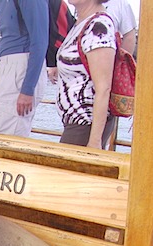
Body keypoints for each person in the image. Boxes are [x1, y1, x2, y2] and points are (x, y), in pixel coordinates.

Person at [0, 0, 48, 137]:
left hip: (21, 67)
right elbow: (5, 39)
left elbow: (40, 41)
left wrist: (27, 89)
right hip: (8, 67)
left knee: (7, 135)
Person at [55, 0, 116, 149]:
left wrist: (95, 141)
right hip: (78, 122)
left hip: (85, 123)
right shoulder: (82, 23)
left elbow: (103, 87)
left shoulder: (98, 27)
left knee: (64, 172)